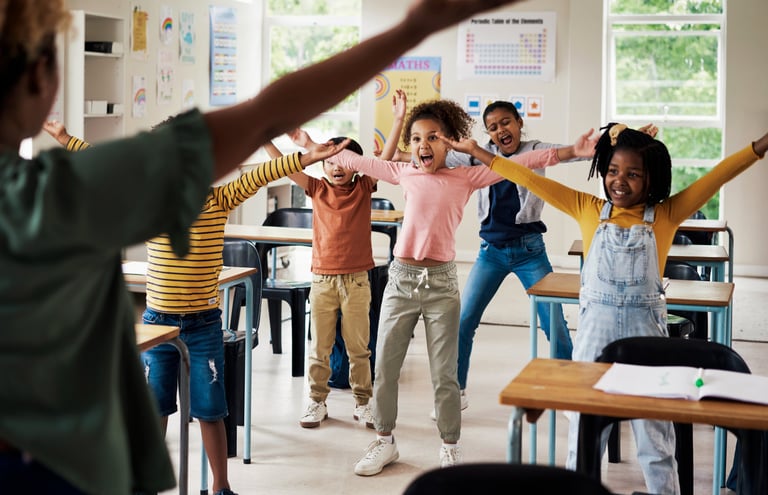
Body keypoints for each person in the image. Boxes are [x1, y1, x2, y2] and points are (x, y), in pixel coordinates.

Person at [0, 0, 526, 493]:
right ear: (41, 77)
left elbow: (268, 135)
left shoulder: (59, 189)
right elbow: (267, 112)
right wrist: (416, 25)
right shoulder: (53, 192)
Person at [446, 123, 768, 495]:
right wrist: (478, 151)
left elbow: (717, 176)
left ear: (652, 181)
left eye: (633, 174)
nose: (620, 181)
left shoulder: (665, 215)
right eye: (613, 171)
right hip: (593, 346)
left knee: (655, 442)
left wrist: (759, 146)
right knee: (583, 436)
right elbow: (524, 175)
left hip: (648, 348)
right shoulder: (587, 208)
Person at [43, 119, 345, 495]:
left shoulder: (218, 199)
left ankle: (220, 486)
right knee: (154, 407)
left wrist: (305, 156)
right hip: (158, 325)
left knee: (210, 409)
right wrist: (63, 138)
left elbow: (264, 173)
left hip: (203, 326)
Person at [305, 98, 595, 477]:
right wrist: (310, 145)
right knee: (385, 367)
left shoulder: (466, 176)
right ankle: (384, 440)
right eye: (416, 138)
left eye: (433, 137)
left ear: (450, 143)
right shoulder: (404, 171)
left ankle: (450, 445)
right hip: (401, 280)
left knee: (445, 375)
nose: (423, 145)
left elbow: (523, 165)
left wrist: (572, 151)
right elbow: (357, 161)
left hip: (441, 284)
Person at [264, 134, 376, 430]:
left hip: (357, 281)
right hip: (323, 280)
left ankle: (363, 402)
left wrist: (400, 119)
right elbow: (283, 166)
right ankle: (317, 400)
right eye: (329, 161)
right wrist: (265, 139)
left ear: (356, 165)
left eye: (343, 160)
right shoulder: (317, 188)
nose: (336, 166)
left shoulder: (364, 186)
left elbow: (382, 163)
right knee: (320, 347)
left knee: (358, 348)